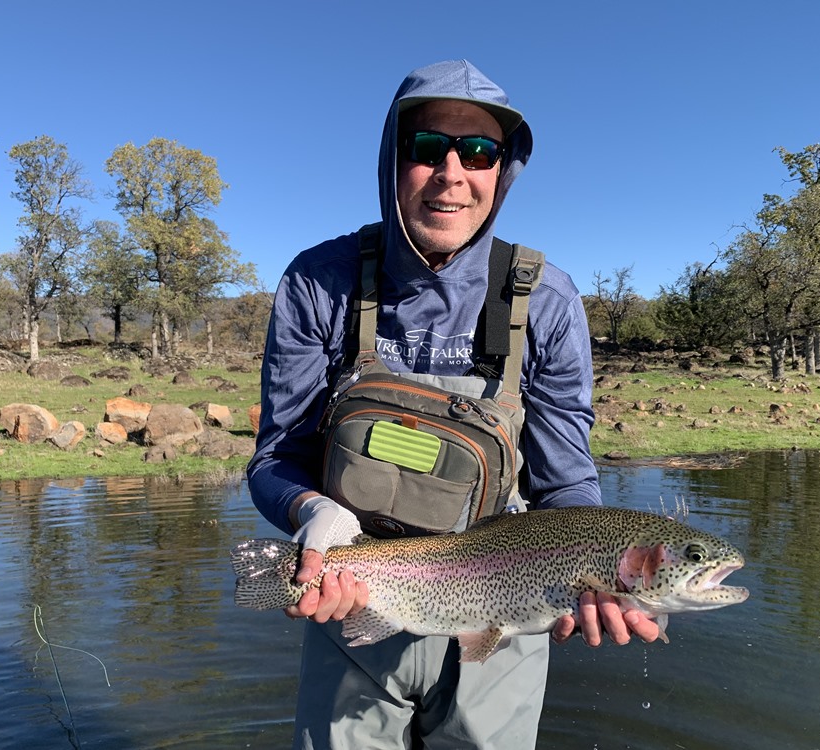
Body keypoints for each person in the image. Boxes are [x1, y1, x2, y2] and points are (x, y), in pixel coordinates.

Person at [247, 59, 661, 749]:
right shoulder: (320, 282)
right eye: (427, 147)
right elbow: (276, 458)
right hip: (355, 593)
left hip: (507, 610)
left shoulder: (546, 299)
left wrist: (596, 570)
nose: (451, 173)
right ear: (392, 157)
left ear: (503, 170)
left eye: (477, 152)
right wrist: (314, 513)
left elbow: (565, 482)